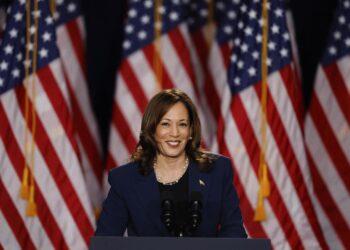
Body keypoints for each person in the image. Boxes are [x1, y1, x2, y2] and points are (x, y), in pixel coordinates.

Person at [95, 88, 247, 237]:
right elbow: (106, 241)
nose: (174, 133)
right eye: (165, 124)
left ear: (191, 131)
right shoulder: (125, 180)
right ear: (152, 130)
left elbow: (234, 233)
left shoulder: (217, 171)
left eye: (182, 124)